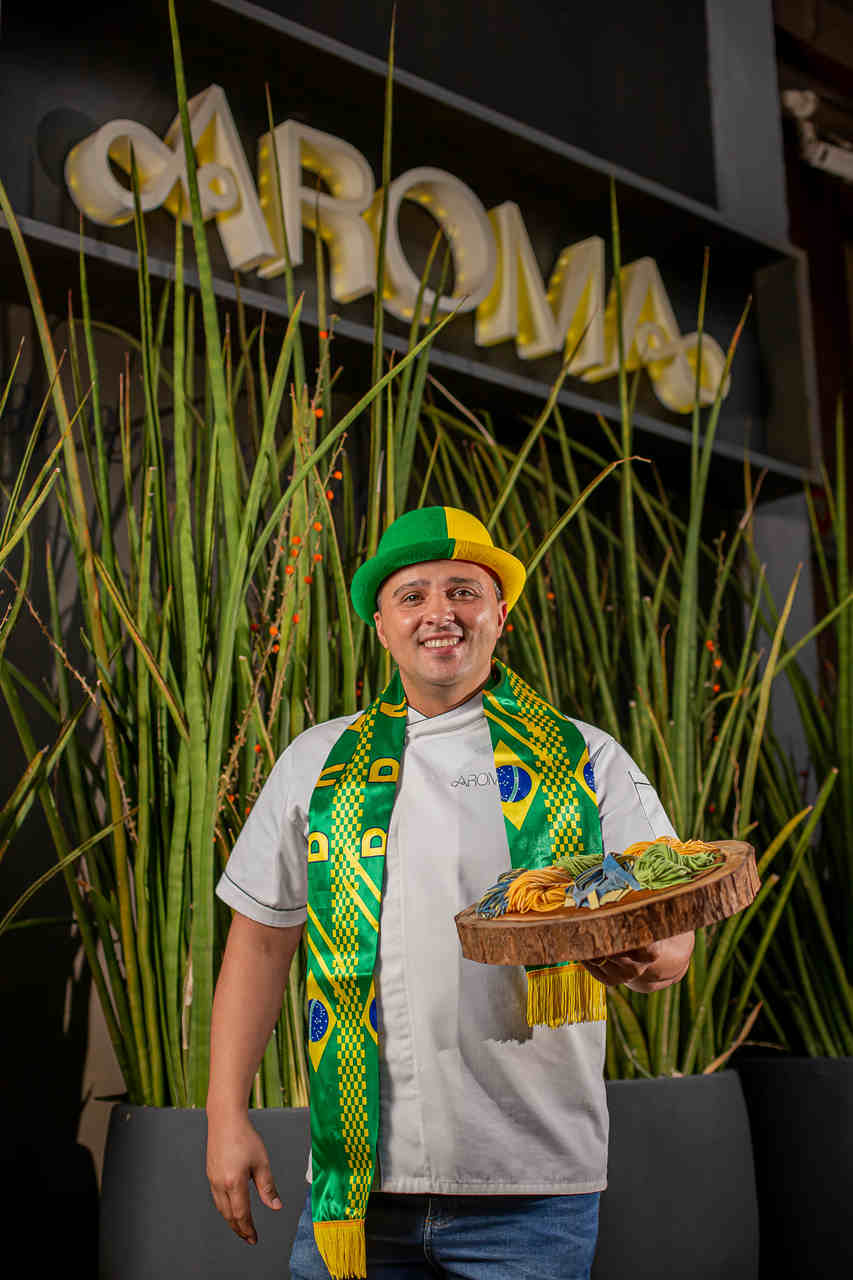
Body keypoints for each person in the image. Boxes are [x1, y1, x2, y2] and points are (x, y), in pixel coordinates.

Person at [206, 506, 694, 1280]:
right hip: (357, 1188)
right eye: (413, 595)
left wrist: (656, 957)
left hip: (533, 1189)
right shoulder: (316, 763)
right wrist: (224, 1117)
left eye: (464, 591)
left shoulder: (586, 757)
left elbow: (667, 917)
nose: (440, 613)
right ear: (380, 625)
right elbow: (261, 943)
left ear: (499, 615)